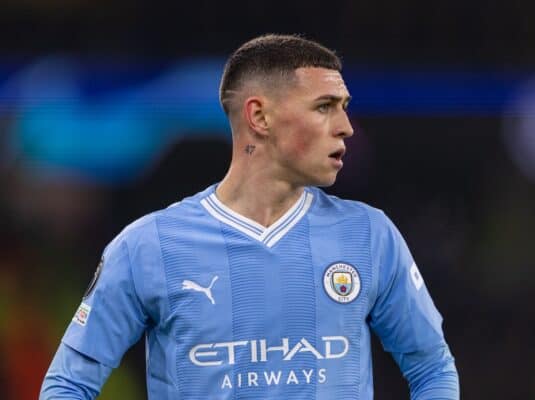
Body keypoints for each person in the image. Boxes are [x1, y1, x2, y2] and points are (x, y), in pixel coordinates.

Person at [40, 34, 459, 399]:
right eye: (324, 107)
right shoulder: (147, 246)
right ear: (259, 117)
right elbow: (67, 386)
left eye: (344, 107)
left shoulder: (370, 235)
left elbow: (433, 369)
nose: (346, 126)